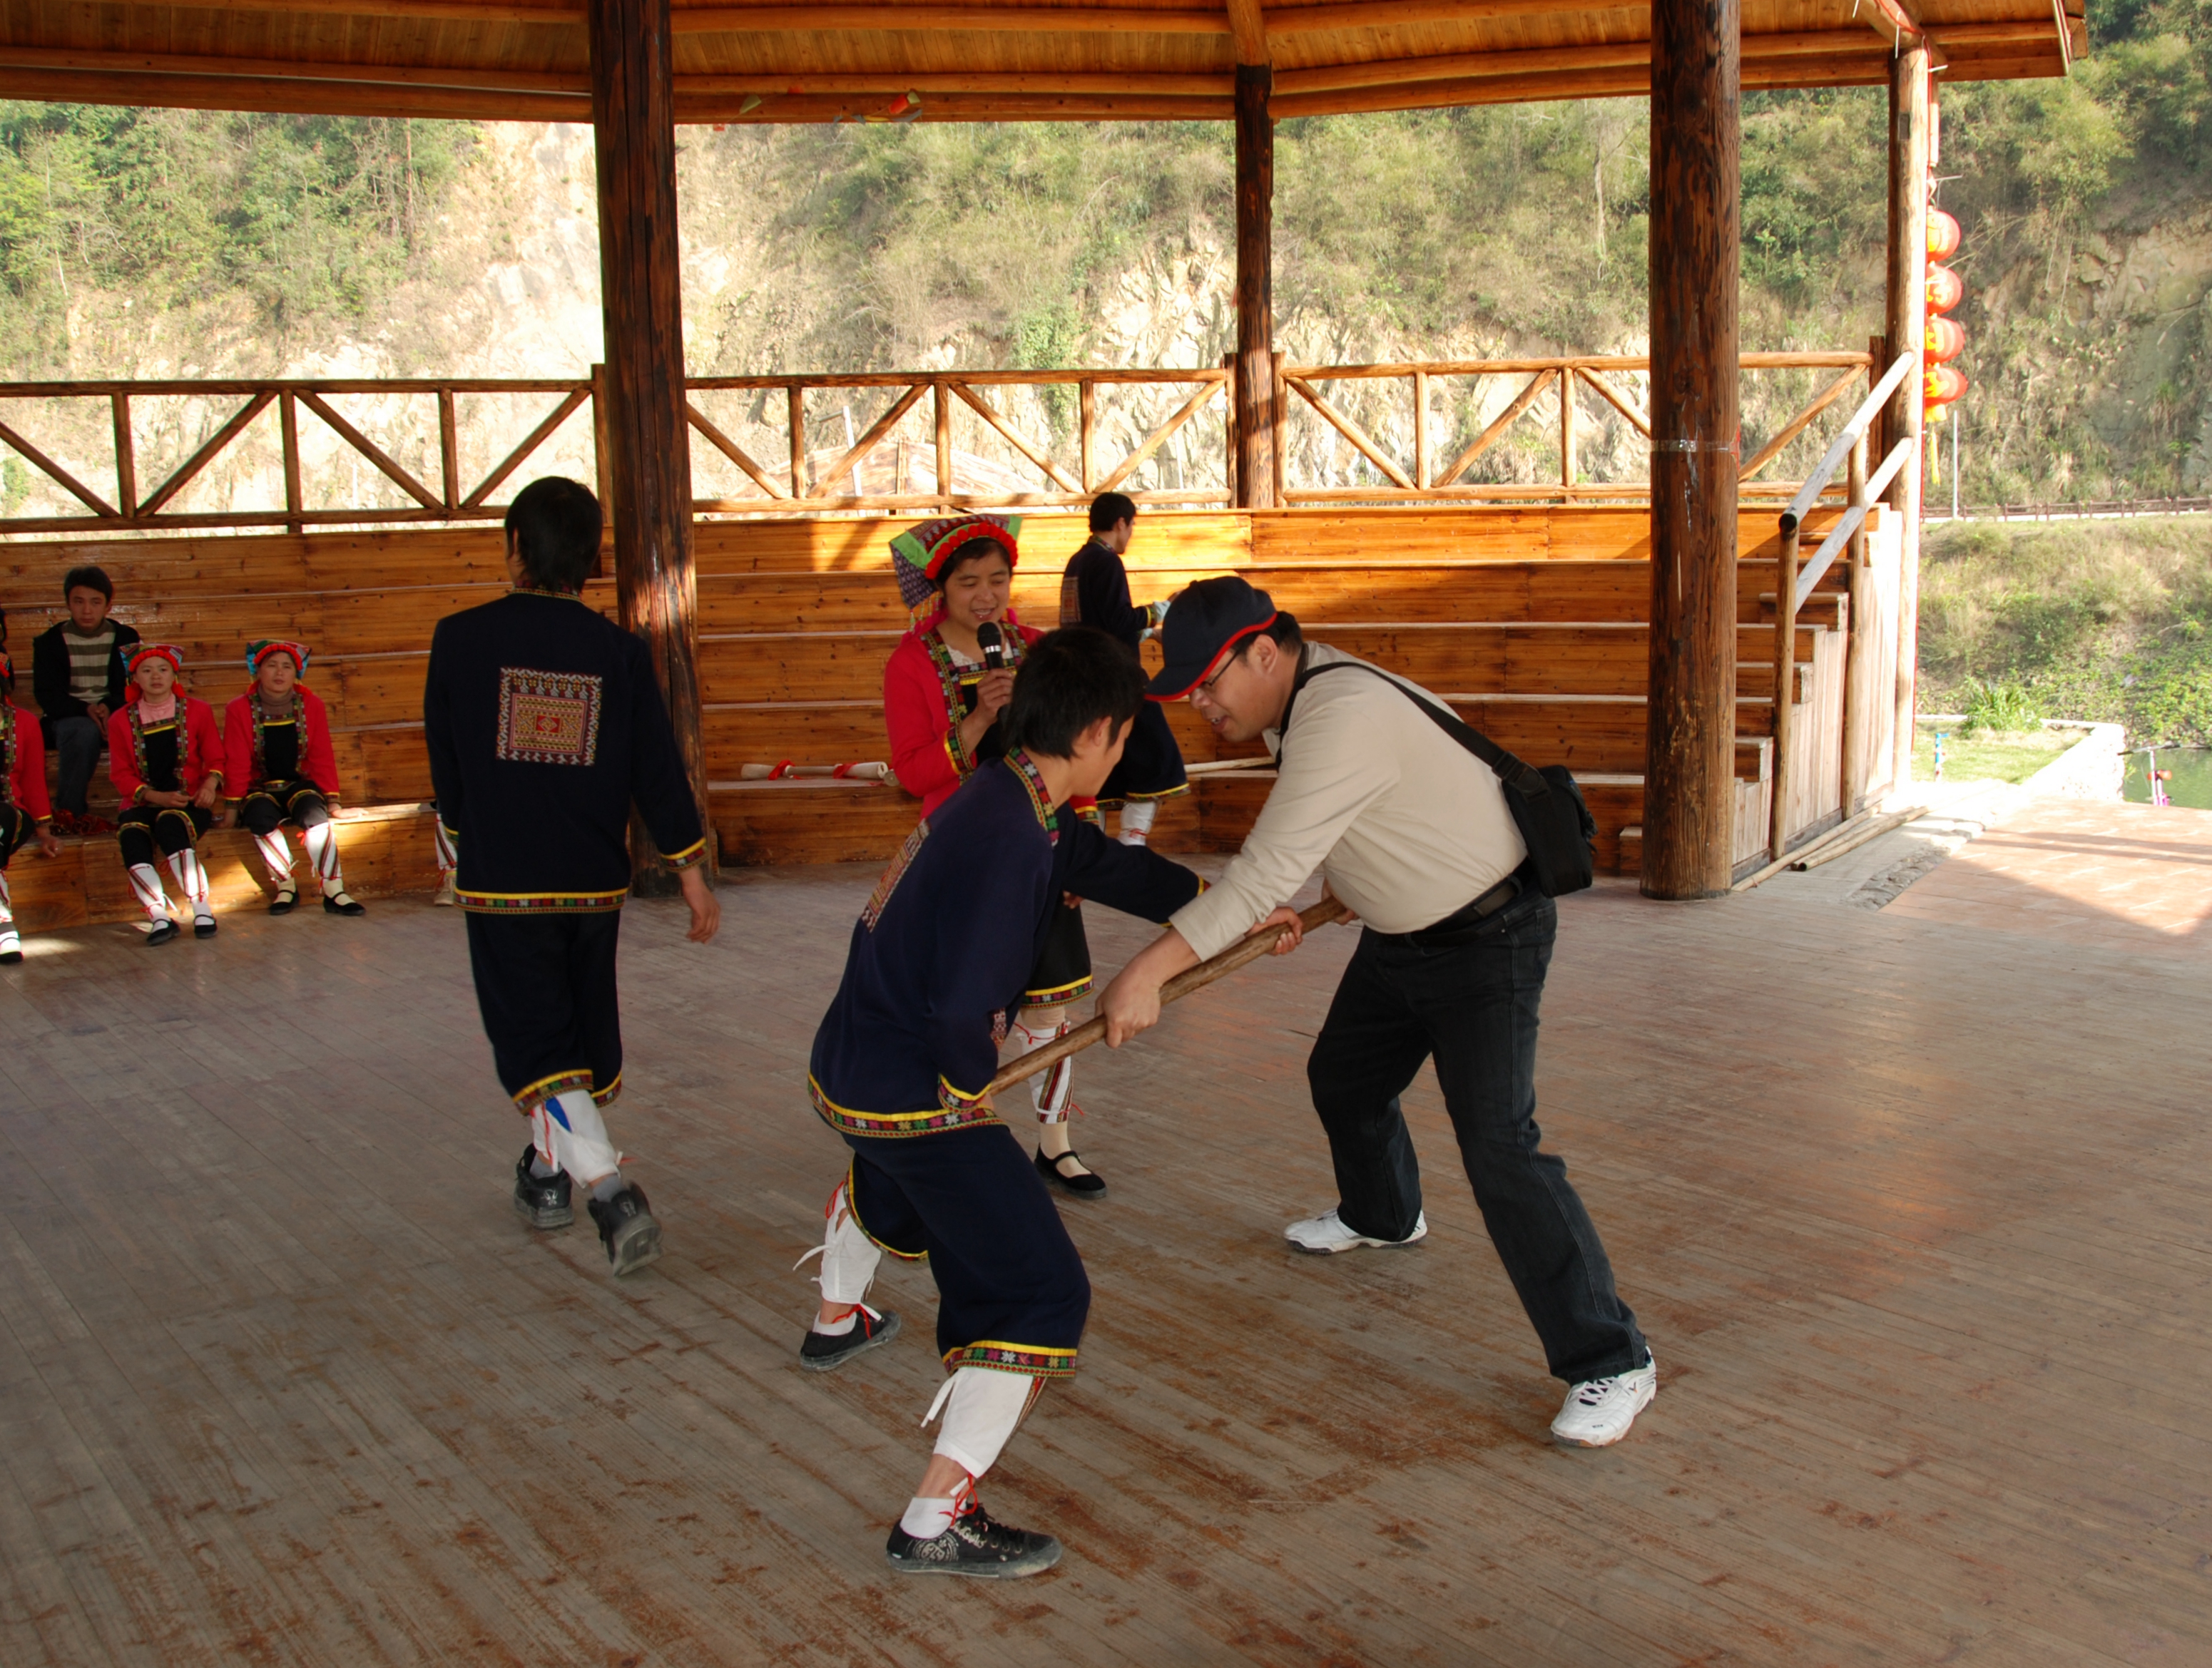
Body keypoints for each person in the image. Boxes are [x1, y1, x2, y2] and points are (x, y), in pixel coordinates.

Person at [1097, 576, 1656, 1449]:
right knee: (1344, 1078)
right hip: (1401, 936)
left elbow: (1261, 870)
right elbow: (1361, 811)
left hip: (1487, 937)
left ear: (1263, 652)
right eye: (1189, 693)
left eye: (1207, 684)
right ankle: (1383, 1212)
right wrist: (1344, 883)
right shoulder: (1301, 695)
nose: (1200, 706)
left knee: (1499, 1146)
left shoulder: (1339, 711)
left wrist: (1147, 971)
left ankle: (1611, 1356)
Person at [799, 625, 1208, 1577]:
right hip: (910, 1093)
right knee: (1040, 1288)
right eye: (1125, 736)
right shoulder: (1009, 836)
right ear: (1097, 731)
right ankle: (935, 1514)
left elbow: (1105, 865)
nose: (1123, 751)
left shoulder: (1015, 797)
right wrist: (965, 1089)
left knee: (900, 1185)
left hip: (851, 1071)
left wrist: (1227, 906)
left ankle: (837, 1313)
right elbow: (961, 1005)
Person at [424, 476, 720, 1276]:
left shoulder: (460, 638)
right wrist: (689, 869)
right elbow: (656, 768)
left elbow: (447, 762)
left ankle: (612, 1192)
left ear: (515, 547)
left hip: (503, 881)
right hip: (592, 883)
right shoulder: (615, 651)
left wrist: (464, 836)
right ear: (591, 558)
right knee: (571, 1036)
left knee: (535, 1041)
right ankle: (543, 1172)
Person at [883, 513, 1106, 1200]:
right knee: (963, 1007)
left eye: (998, 579)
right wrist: (977, 719)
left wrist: (1081, 837)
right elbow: (913, 773)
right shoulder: (910, 663)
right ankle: (957, 1134)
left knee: (1048, 1010)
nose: (986, 595)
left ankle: (1055, 1144)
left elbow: (1078, 751)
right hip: (961, 859)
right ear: (940, 588)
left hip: (1042, 850)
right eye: (968, 582)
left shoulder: (1037, 649)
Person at [1057, 491, 1187, 845]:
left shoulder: (1078, 561)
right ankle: (1132, 842)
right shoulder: (1107, 561)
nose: (1130, 534)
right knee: (1158, 753)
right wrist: (1162, 609)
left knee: (1097, 760)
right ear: (1120, 523)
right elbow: (1117, 620)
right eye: (1131, 526)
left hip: (1083, 678)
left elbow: (1097, 624)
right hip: (1116, 679)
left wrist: (1147, 633)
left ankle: (1093, 844)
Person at [223, 639, 366, 919]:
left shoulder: (311, 705)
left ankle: (334, 889)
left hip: (299, 784)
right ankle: (286, 886)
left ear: (296, 673)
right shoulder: (238, 708)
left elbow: (321, 755)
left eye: (287, 667)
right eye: (271, 666)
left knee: (314, 814)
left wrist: (333, 802)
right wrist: (231, 808)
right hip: (258, 788)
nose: (279, 672)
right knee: (260, 817)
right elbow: (237, 761)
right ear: (257, 671)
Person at [108, 643, 225, 946]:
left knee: (171, 824)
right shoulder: (120, 720)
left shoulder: (198, 711)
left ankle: (201, 908)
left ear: (174, 674)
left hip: (188, 801)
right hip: (143, 801)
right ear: (135, 678)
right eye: (146, 671)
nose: (156, 676)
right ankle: (158, 915)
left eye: (163, 669)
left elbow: (216, 759)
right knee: (131, 834)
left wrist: (209, 785)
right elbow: (120, 775)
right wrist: (155, 797)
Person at [32, 565, 141, 834]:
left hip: (116, 712)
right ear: (68, 603)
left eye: (95, 602)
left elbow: (134, 685)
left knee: (153, 723)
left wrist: (108, 707)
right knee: (82, 731)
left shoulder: (126, 638)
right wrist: (86, 709)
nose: (87, 610)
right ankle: (69, 813)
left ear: (108, 605)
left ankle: (145, 808)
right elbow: (47, 695)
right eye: (79, 602)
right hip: (68, 718)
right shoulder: (49, 643)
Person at [0, 650, 63, 964]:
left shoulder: (23, 722)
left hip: (10, 813)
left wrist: (43, 829)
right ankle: (4, 925)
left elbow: (34, 778)